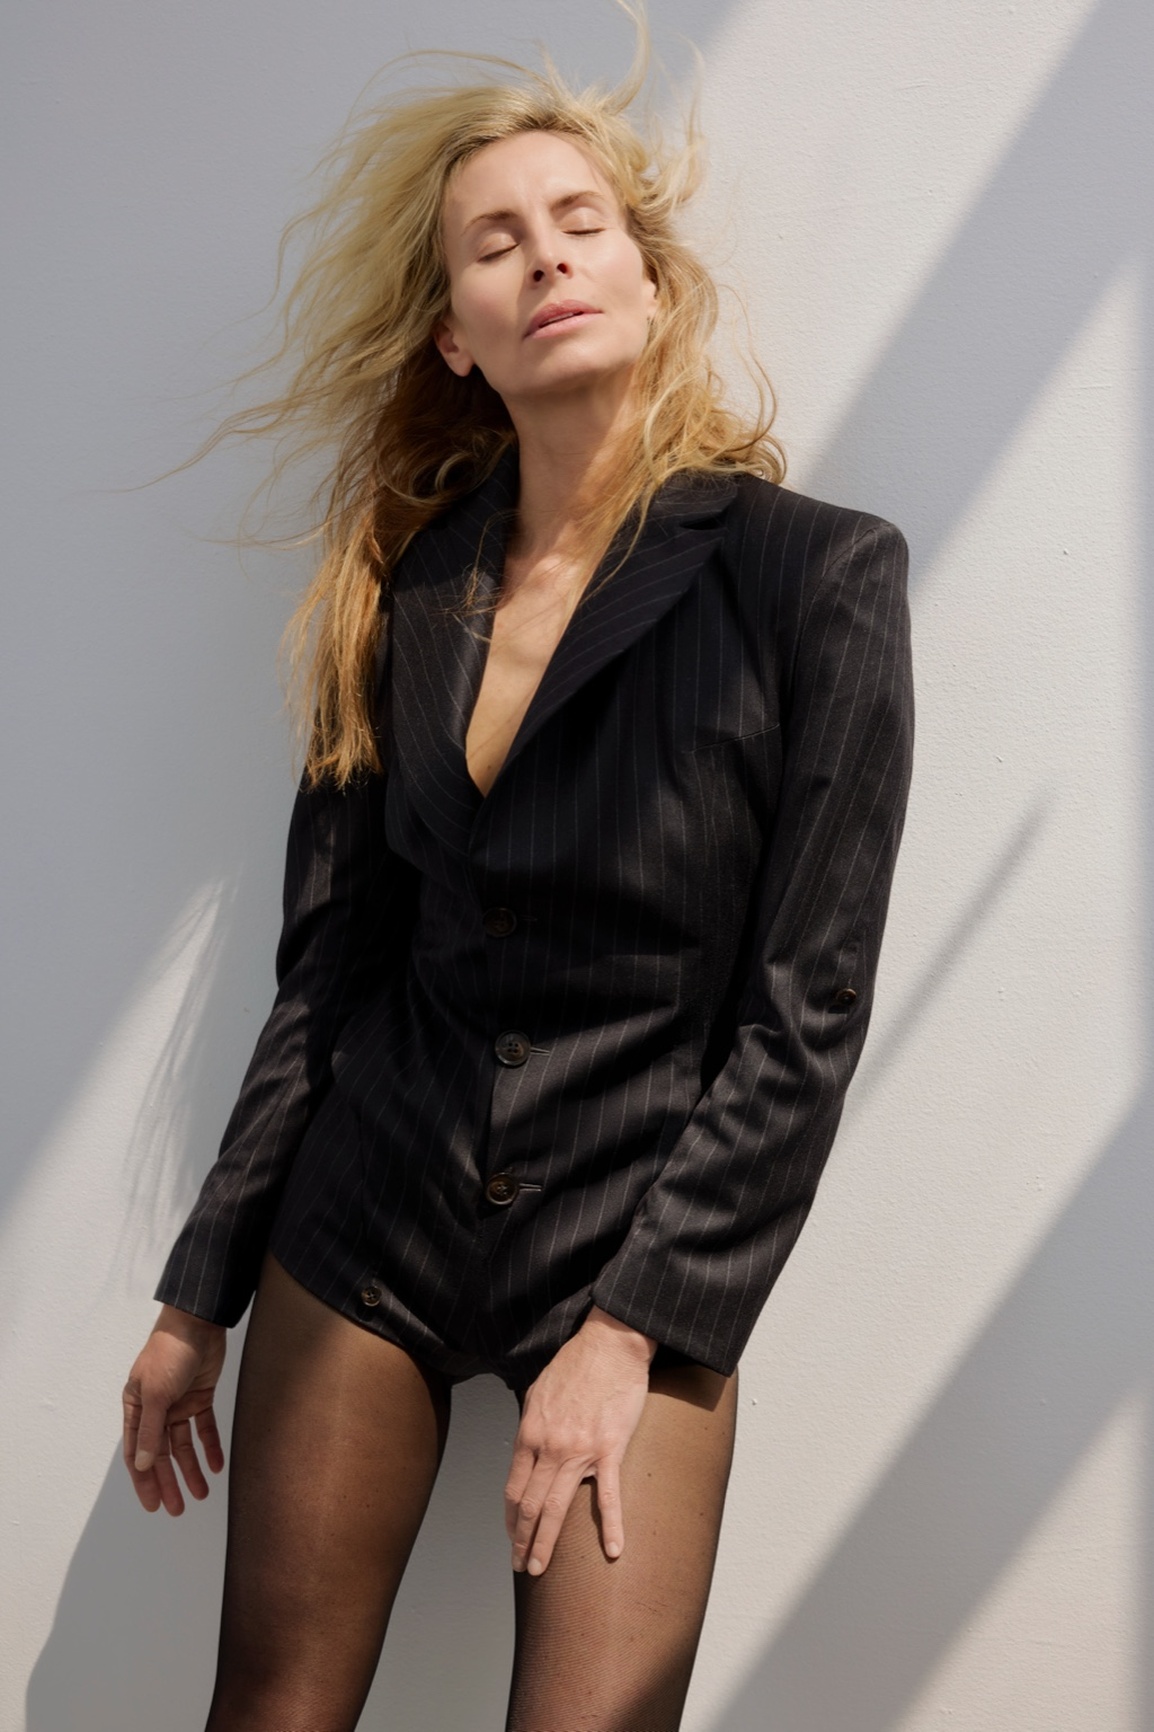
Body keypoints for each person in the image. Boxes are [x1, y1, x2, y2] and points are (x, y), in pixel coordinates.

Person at [121, 27, 914, 1732]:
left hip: (637, 1239)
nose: (546, 258)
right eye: (495, 244)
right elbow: (330, 972)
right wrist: (199, 1293)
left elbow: (806, 1009)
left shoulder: (815, 578)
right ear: (454, 338)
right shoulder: (401, 592)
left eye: (579, 222)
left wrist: (632, 1331)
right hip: (367, 1222)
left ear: (648, 275)